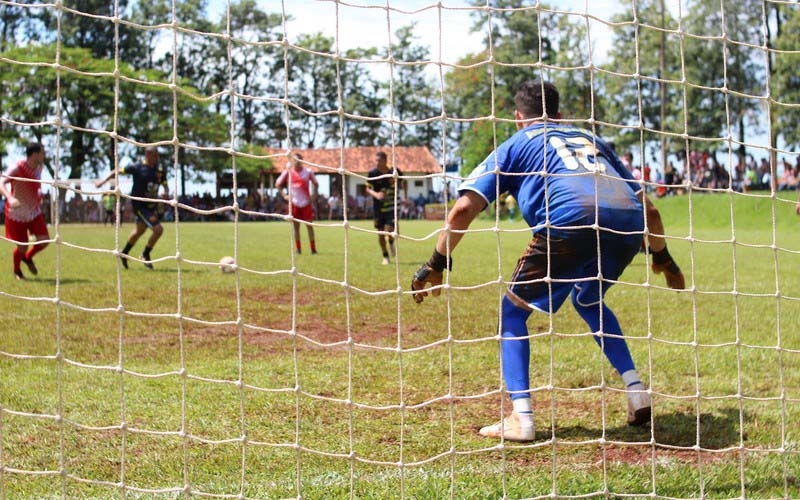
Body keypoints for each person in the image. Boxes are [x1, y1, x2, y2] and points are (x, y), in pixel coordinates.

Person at [411, 80, 686, 442]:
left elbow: (463, 208)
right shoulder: (591, 139)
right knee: (588, 298)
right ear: (558, 115)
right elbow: (648, 207)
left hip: (569, 222)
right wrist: (663, 258)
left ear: (518, 118)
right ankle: (637, 391)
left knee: (512, 313)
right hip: (627, 226)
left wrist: (436, 262)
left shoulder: (517, 143)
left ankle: (521, 417)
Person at [95, 146, 168, 269]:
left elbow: (165, 184)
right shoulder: (137, 167)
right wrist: (102, 182)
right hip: (139, 206)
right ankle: (145, 254)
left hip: (151, 206)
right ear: (147, 155)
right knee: (158, 229)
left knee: (139, 231)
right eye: (154, 156)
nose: (156, 158)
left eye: (157, 156)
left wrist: (166, 192)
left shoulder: (159, 170)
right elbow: (116, 171)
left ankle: (124, 253)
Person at [0, 142, 51, 280]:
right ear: (34, 154)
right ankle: (17, 271)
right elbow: (1, 182)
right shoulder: (17, 167)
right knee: (22, 246)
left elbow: (35, 184)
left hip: (34, 211)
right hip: (16, 214)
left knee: (44, 240)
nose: (45, 155)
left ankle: (28, 258)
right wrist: (10, 198)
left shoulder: (39, 167)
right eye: (42, 153)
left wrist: (39, 193)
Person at [366, 151, 407, 265]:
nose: (377, 163)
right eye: (376, 161)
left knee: (390, 230)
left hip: (391, 207)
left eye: (379, 160)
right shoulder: (372, 173)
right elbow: (367, 188)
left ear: (385, 160)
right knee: (380, 233)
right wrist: (376, 195)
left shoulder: (394, 171)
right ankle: (385, 256)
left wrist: (404, 196)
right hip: (378, 208)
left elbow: (404, 181)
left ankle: (391, 242)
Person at [275, 153, 318, 254]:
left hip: (306, 203)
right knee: (296, 227)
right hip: (294, 203)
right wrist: (284, 195)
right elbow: (278, 184)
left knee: (309, 226)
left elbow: (316, 184)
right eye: (295, 161)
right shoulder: (288, 172)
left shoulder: (308, 172)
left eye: (299, 161)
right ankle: (298, 249)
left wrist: (314, 196)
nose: (298, 163)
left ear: (302, 161)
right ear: (292, 162)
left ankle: (313, 248)